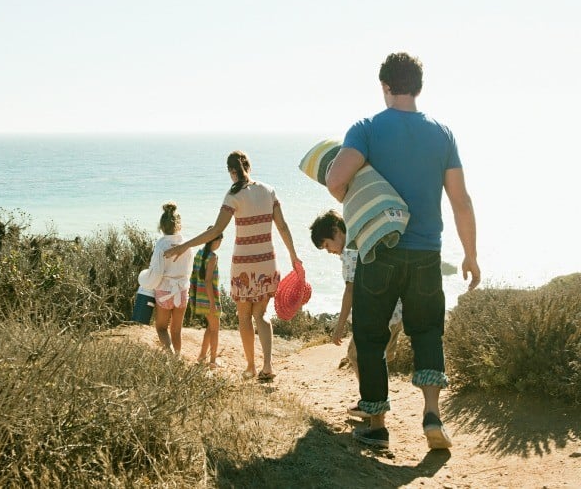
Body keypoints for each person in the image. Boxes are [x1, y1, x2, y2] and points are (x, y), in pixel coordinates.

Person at [325, 52, 481, 450]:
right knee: (428, 331)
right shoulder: (442, 134)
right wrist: (470, 255)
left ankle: (377, 424)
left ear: (385, 86)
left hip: (379, 253)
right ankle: (432, 416)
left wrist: (360, 197)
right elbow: (461, 201)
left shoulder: (368, 129)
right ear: (418, 86)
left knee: (371, 335)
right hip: (427, 253)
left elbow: (336, 179)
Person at [165, 150, 301, 381]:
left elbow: (216, 231)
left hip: (244, 265)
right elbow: (283, 227)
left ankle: (251, 367)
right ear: (249, 165)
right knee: (261, 314)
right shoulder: (268, 191)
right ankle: (268, 366)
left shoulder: (233, 195)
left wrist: (183, 246)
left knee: (244, 317)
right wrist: (294, 257)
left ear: (232, 172)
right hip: (267, 261)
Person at [310, 209, 403, 419]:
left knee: (357, 356)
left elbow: (350, 291)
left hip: (379, 316)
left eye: (326, 245)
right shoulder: (364, 236)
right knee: (379, 360)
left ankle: (371, 404)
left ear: (336, 231)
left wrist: (339, 326)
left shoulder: (350, 253)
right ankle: (374, 402)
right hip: (395, 312)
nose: (328, 251)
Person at [138, 202, 194, 355]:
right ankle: (177, 357)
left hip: (164, 291)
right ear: (179, 226)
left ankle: (169, 353)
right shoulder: (187, 245)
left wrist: (143, 278)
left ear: (161, 227)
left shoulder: (161, 245)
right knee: (176, 330)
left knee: (161, 328)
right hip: (182, 291)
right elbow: (189, 271)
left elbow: (156, 273)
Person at [188, 227, 224, 368]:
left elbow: (196, 277)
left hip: (199, 297)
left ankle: (202, 356)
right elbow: (208, 281)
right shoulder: (212, 257)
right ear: (216, 241)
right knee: (215, 329)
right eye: (220, 240)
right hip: (208, 298)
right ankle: (213, 360)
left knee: (210, 327)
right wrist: (212, 302)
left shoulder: (200, 253)